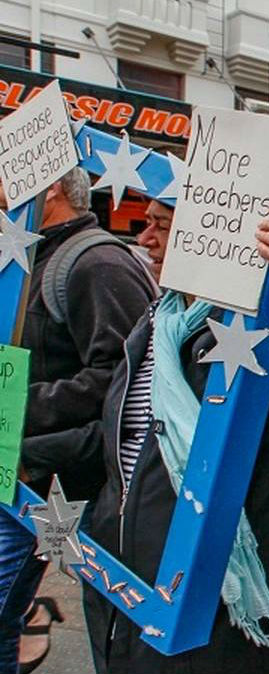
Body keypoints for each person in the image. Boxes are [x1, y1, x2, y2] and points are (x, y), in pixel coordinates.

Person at [21, 203, 269, 674]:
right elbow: (129, 438)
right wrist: (27, 453)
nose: (144, 239)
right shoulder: (158, 321)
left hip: (214, 607)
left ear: (214, 234)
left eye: (161, 225)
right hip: (126, 587)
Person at [0, 168, 157, 674]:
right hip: (24, 473)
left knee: (111, 624)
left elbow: (123, 382)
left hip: (60, 485)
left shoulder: (98, 263)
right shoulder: (25, 256)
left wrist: (15, 406)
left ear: (49, 187)